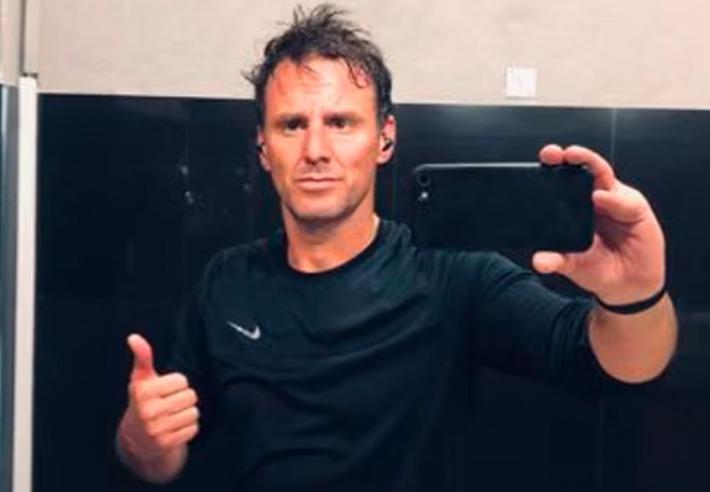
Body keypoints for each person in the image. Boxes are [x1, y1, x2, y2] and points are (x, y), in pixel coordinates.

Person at [115, 4, 677, 490]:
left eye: (341, 122)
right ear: (263, 148)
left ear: (384, 138)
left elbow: (619, 364)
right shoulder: (227, 281)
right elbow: (157, 462)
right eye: (292, 125)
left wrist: (636, 294)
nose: (316, 149)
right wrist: (142, 436)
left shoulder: (450, 274)